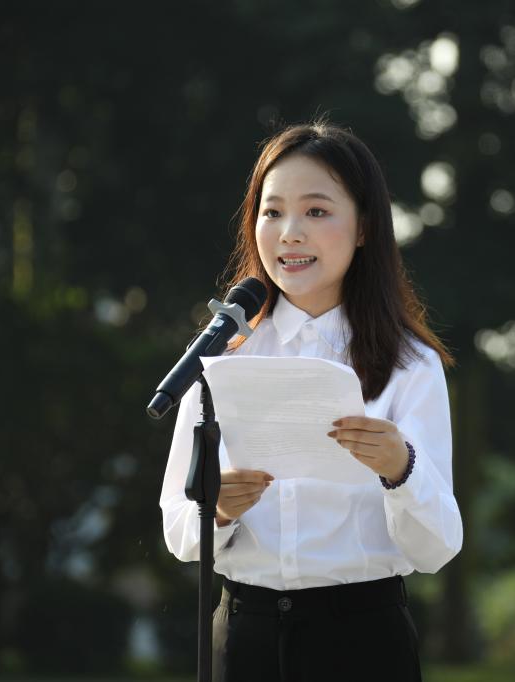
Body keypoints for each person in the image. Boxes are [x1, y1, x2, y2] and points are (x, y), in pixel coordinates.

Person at [159, 119, 463, 682]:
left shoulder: (409, 362)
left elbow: (437, 548)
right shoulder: (222, 352)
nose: (290, 233)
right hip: (244, 635)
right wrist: (217, 509)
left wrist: (401, 468)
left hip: (363, 637)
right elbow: (178, 531)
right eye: (272, 212)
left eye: (317, 211)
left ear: (365, 227)